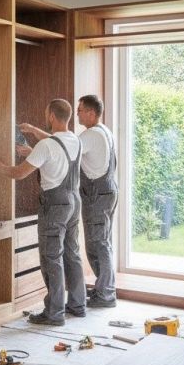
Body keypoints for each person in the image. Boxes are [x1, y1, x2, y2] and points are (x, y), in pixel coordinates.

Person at [0, 98, 85, 325]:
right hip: (73, 201)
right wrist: (31, 131)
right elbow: (53, 143)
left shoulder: (46, 146)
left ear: (51, 116)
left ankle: (54, 312)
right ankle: (78, 305)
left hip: (54, 205)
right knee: (72, 253)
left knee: (52, 257)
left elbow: (19, 173)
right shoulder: (75, 141)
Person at [76, 95, 118, 308]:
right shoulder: (105, 131)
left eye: (81, 110)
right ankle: (104, 290)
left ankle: (106, 295)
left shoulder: (91, 135)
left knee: (98, 244)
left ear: (92, 113)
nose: (77, 113)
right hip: (107, 191)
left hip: (97, 195)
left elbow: (66, 149)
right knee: (100, 242)